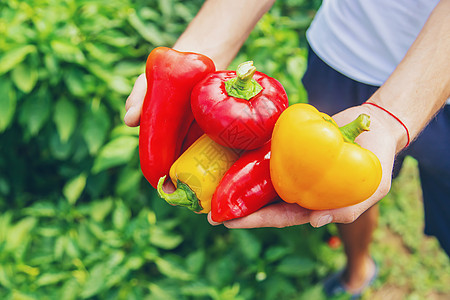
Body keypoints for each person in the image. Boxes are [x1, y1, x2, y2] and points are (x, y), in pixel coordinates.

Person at [125, 0, 450, 298]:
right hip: (342, 53)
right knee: (343, 193)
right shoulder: (305, 122)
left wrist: (395, 116)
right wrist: (200, 52)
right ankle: (357, 269)